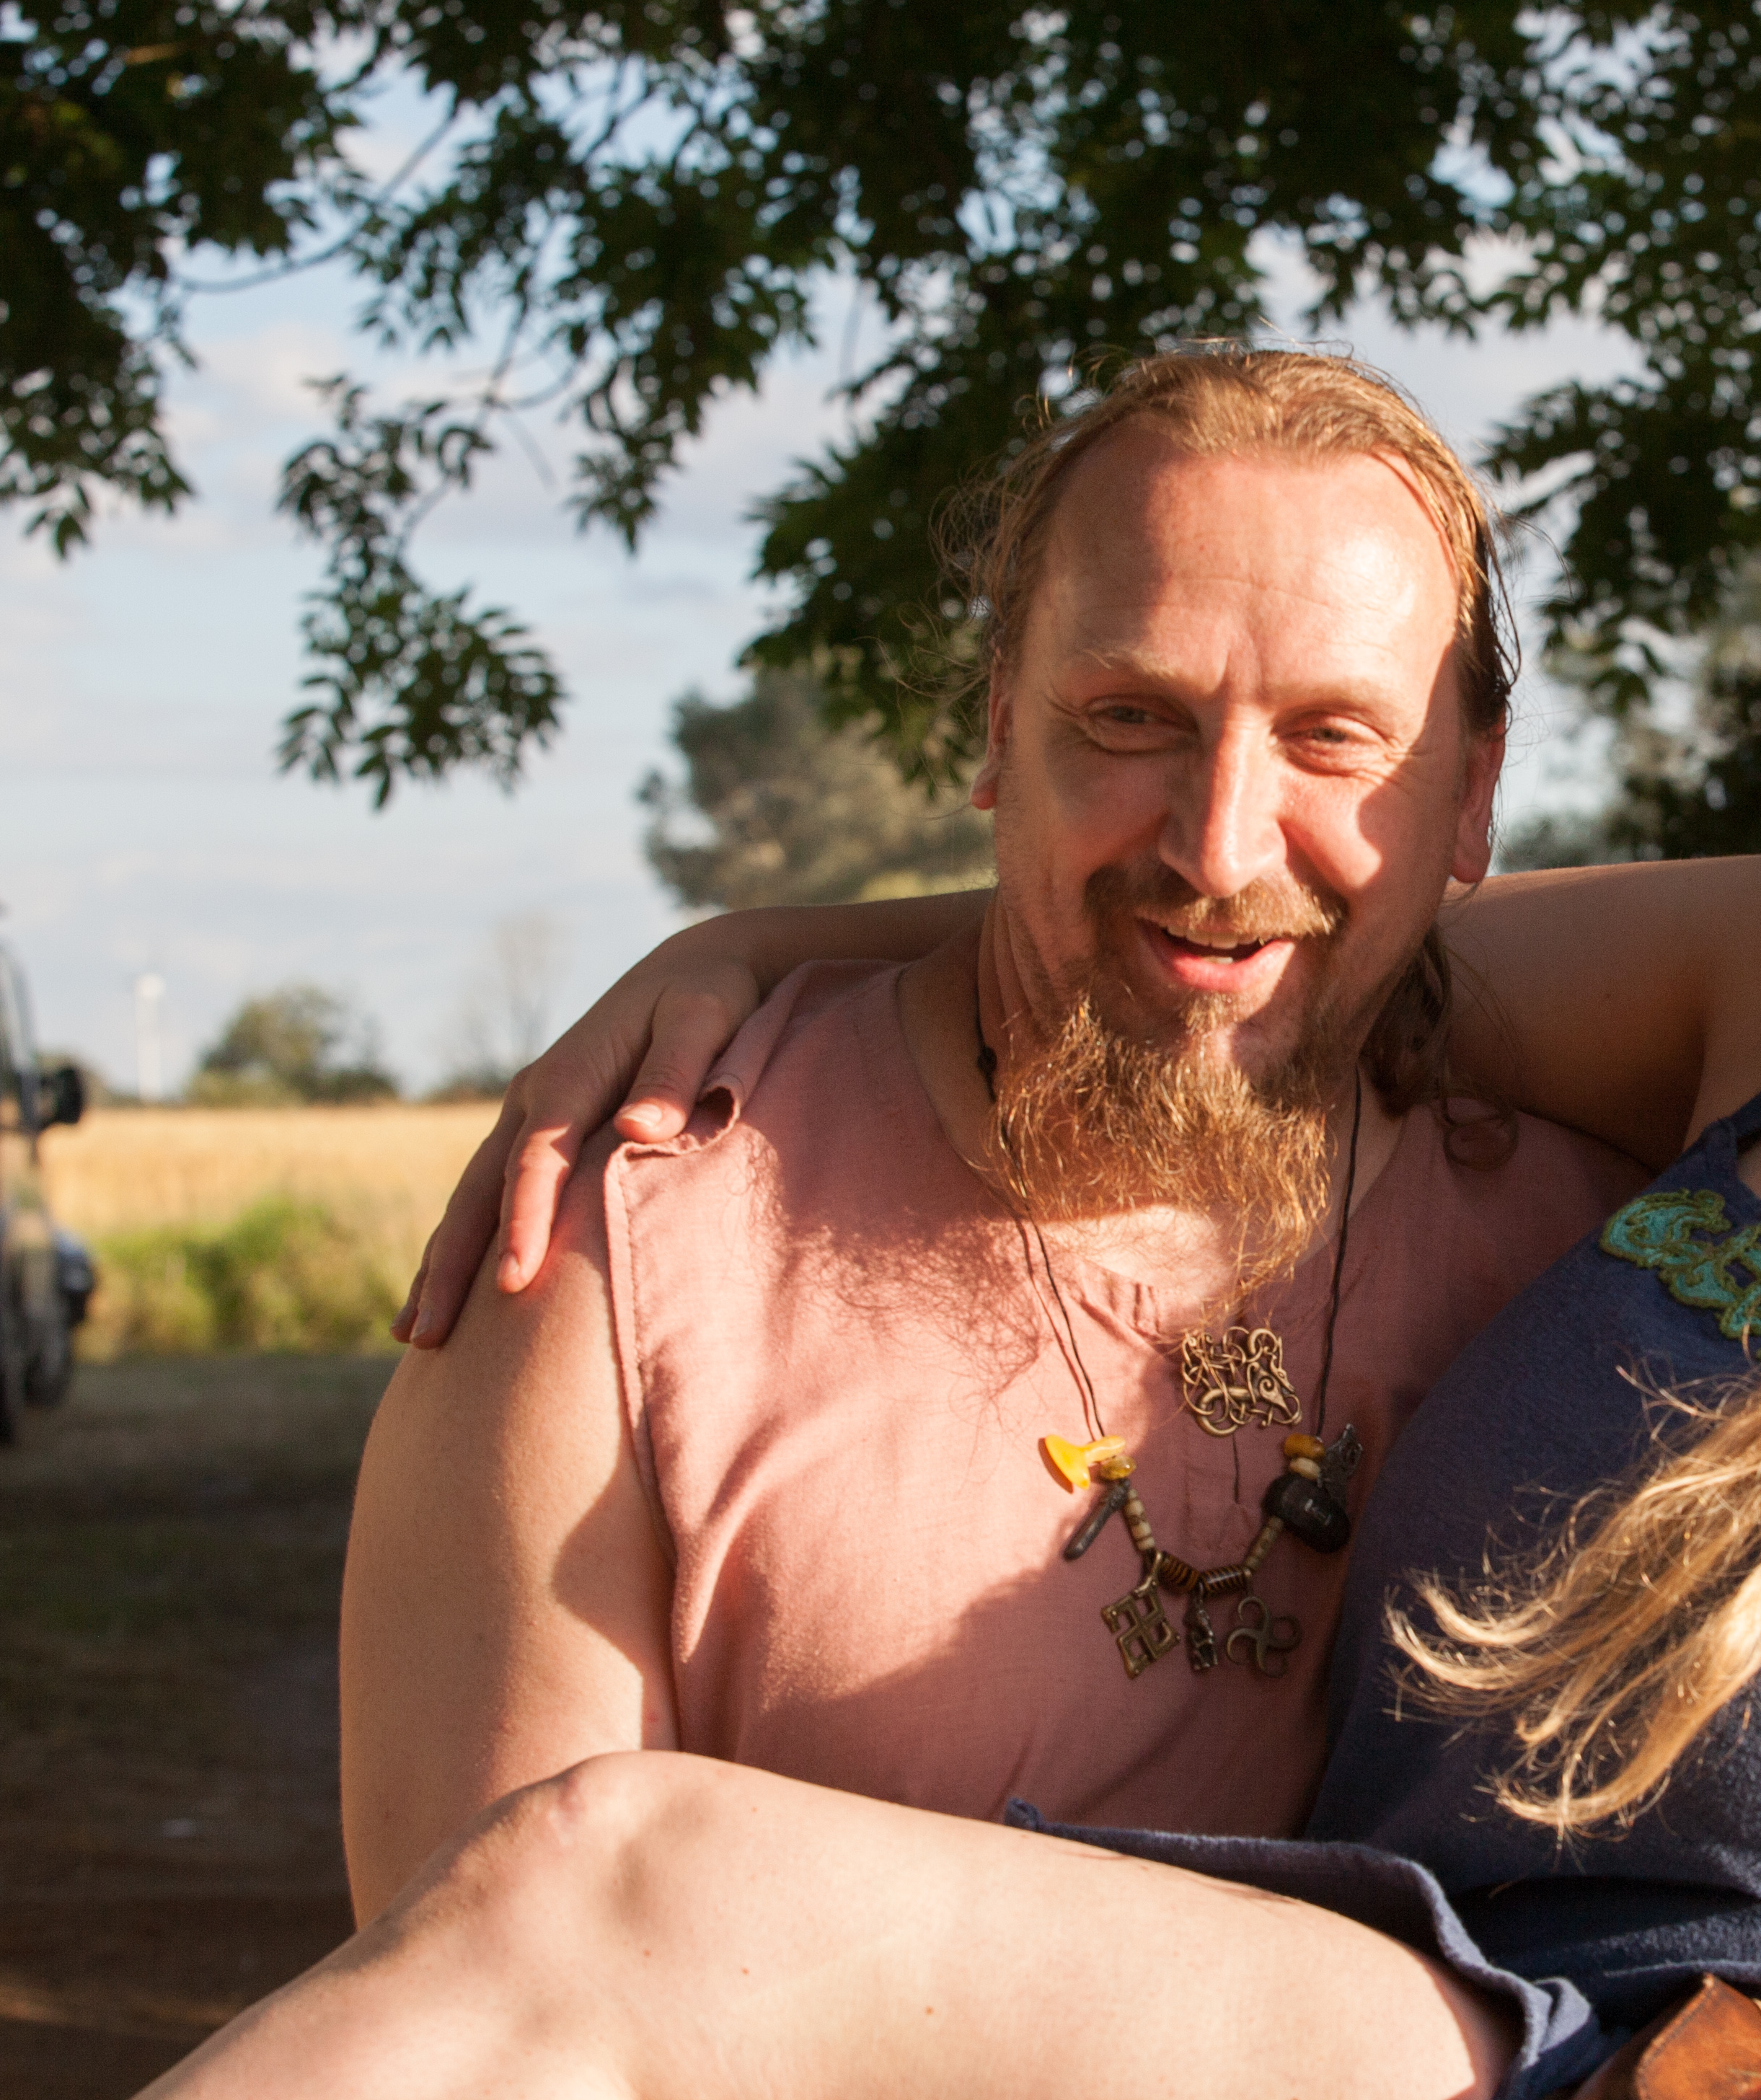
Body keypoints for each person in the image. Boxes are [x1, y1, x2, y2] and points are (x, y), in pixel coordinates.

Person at [164, 200, 1761, 2098]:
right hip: (1458, 2020)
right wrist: (745, 947)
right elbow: (1266, 923)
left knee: (630, 1898)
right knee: (614, 1898)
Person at [328, 348, 1678, 1921]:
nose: (1218, 847)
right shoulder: (613, 1260)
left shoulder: (1604, 1281)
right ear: (995, 728)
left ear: (1472, 794)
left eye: (1333, 737)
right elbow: (489, 1990)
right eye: (1130, 718)